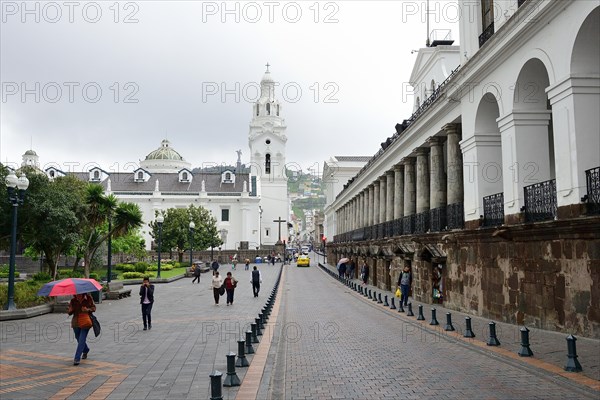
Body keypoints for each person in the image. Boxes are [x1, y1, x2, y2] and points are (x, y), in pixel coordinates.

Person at [67, 293, 96, 365]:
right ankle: (86, 350)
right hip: (76, 322)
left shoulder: (88, 298)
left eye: (79, 294)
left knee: (82, 339)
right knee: (78, 338)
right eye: (76, 294)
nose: (78, 295)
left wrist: (87, 310)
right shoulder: (73, 300)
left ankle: (77, 358)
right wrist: (70, 310)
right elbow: (70, 312)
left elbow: (94, 308)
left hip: (86, 321)